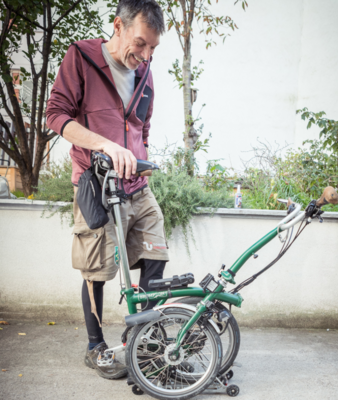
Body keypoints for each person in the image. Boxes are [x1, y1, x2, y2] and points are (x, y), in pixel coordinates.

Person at [46, 0, 169, 380]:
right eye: (140, 43)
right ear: (118, 25)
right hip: (97, 186)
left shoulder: (145, 73)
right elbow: (56, 115)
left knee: (156, 257)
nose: (146, 55)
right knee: (97, 270)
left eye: (153, 48)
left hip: (137, 186)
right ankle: (95, 346)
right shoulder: (81, 57)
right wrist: (104, 145)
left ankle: (140, 338)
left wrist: (141, 156)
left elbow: (142, 127)